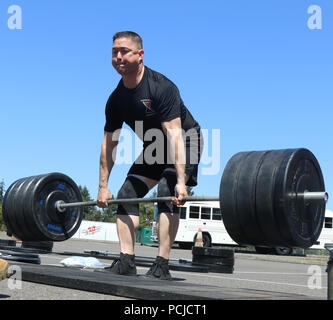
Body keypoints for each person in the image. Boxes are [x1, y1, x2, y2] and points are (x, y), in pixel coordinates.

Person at [97, 31, 203, 280]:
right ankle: (126, 261)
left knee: (166, 191)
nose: (118, 57)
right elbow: (108, 145)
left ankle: (162, 264)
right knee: (125, 194)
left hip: (186, 140)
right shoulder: (116, 100)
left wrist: (180, 181)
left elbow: (176, 135)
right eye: (114, 52)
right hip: (156, 147)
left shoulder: (161, 87)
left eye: (124, 51)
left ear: (140, 55)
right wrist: (103, 186)